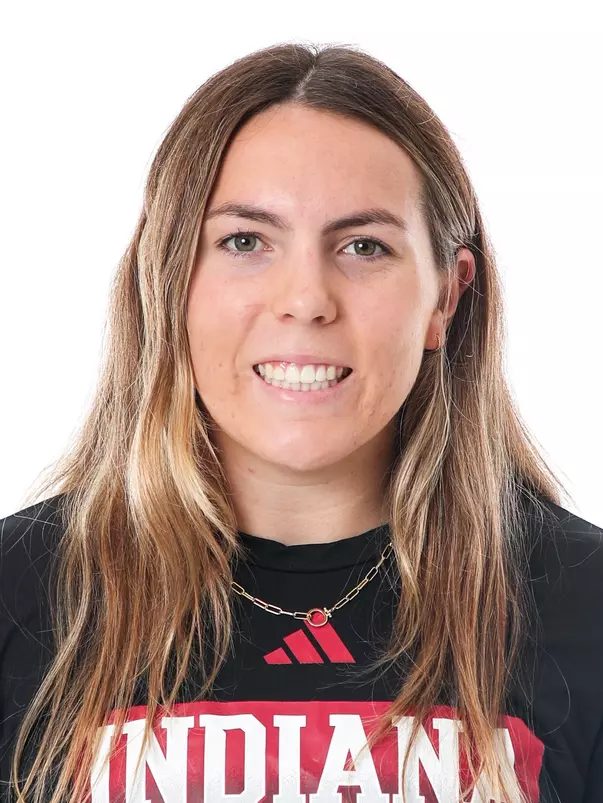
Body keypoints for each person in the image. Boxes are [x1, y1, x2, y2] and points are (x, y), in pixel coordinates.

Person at [1, 41, 602, 803]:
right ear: (168, 278)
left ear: (445, 296)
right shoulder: (18, 593)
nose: (305, 299)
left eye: (363, 246)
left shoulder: (584, 605)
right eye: (244, 241)